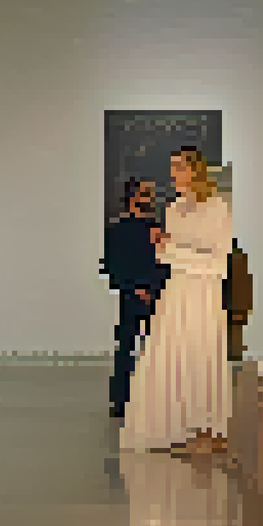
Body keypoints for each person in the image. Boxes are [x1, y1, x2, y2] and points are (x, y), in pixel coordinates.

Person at [122, 147, 232, 455]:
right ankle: (179, 425)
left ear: (196, 170)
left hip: (204, 292)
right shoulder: (173, 208)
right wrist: (166, 247)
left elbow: (217, 263)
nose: (174, 174)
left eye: (180, 167)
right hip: (177, 291)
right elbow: (168, 256)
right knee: (174, 354)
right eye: (172, 167)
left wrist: (173, 248)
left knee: (202, 355)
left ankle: (208, 427)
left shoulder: (217, 207)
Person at [101, 179, 168, 419]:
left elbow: (165, 263)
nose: (150, 197)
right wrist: (134, 288)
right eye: (146, 193)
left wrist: (157, 289)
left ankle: (153, 400)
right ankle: (121, 402)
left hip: (157, 296)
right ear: (133, 196)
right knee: (127, 349)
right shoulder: (118, 229)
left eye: (151, 192)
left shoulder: (158, 229)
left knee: (156, 351)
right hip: (132, 297)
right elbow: (112, 266)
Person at [223, 239, 253, 362]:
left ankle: (234, 357)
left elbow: (238, 284)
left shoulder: (234, 259)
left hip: (233, 306)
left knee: (233, 337)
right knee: (234, 335)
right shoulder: (239, 259)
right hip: (235, 305)